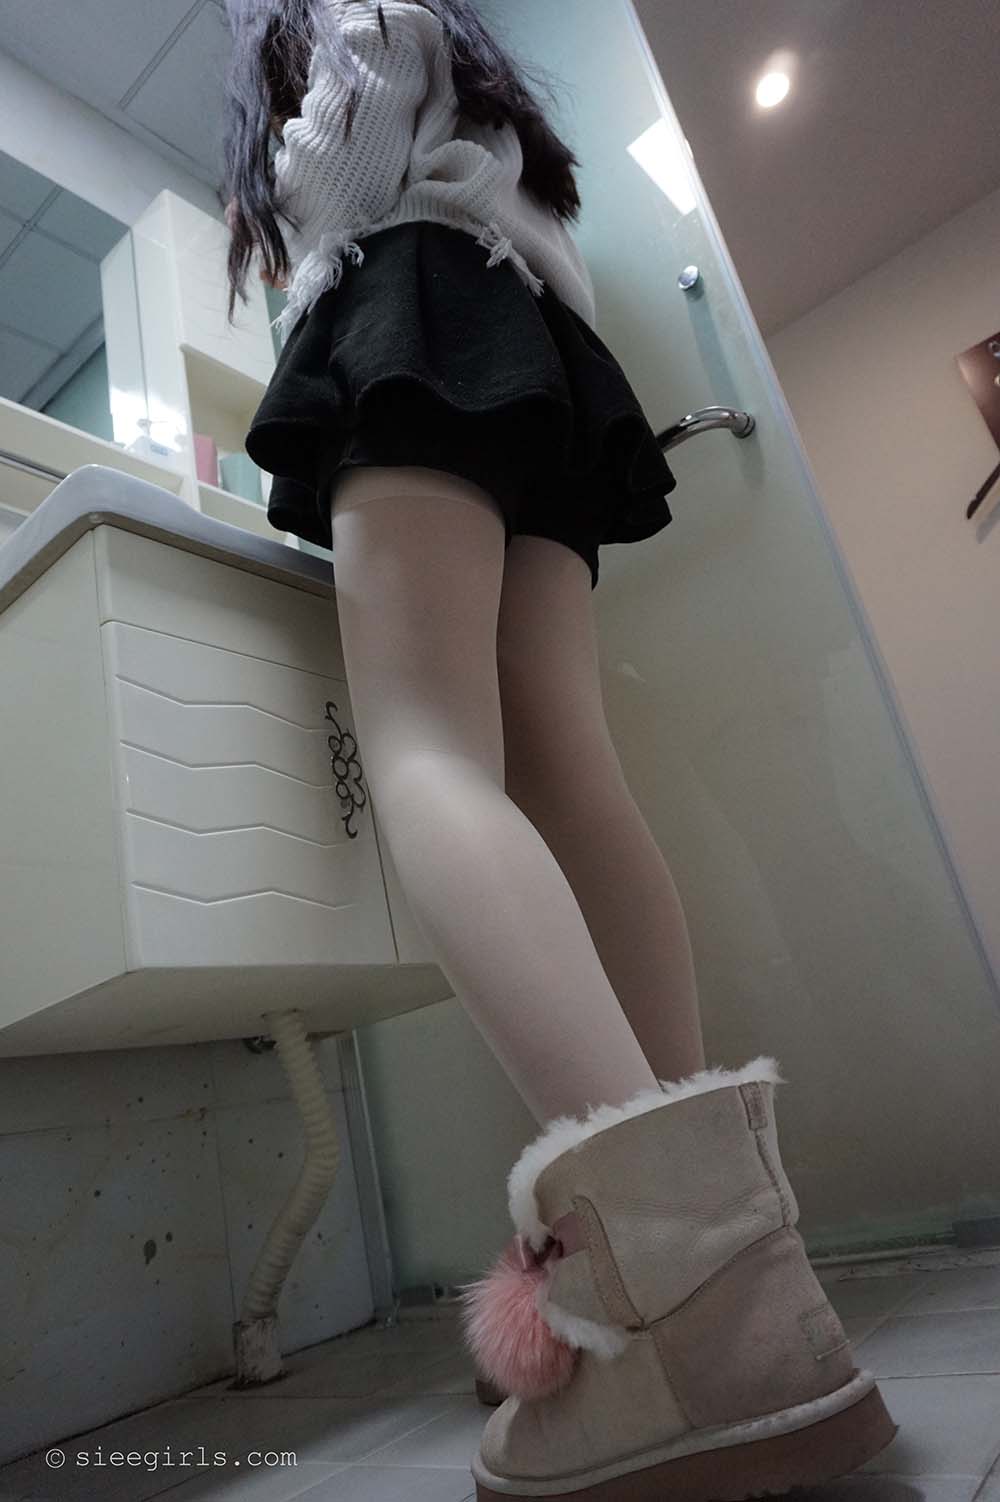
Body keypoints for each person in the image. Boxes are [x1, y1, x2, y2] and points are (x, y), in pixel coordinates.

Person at [218, 4, 898, 1494]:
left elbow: (363, 94)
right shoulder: (500, 144)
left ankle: (689, 1299)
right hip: (532, 348)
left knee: (427, 751)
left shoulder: (351, 41)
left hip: (415, 307)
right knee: (571, 773)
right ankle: (721, 1271)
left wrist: (295, 201)